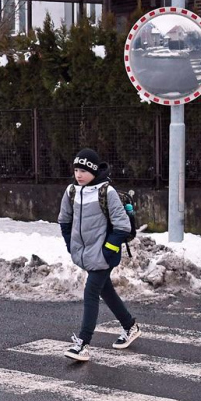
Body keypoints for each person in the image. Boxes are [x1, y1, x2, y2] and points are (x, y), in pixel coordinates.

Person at [58, 147, 140, 362]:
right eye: (76, 170)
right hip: (85, 254)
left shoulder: (107, 192)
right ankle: (130, 326)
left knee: (91, 291)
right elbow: (64, 220)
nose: (79, 174)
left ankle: (83, 344)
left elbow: (122, 226)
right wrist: (71, 246)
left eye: (83, 170)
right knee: (106, 291)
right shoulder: (72, 191)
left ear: (94, 171)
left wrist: (107, 251)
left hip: (104, 255)